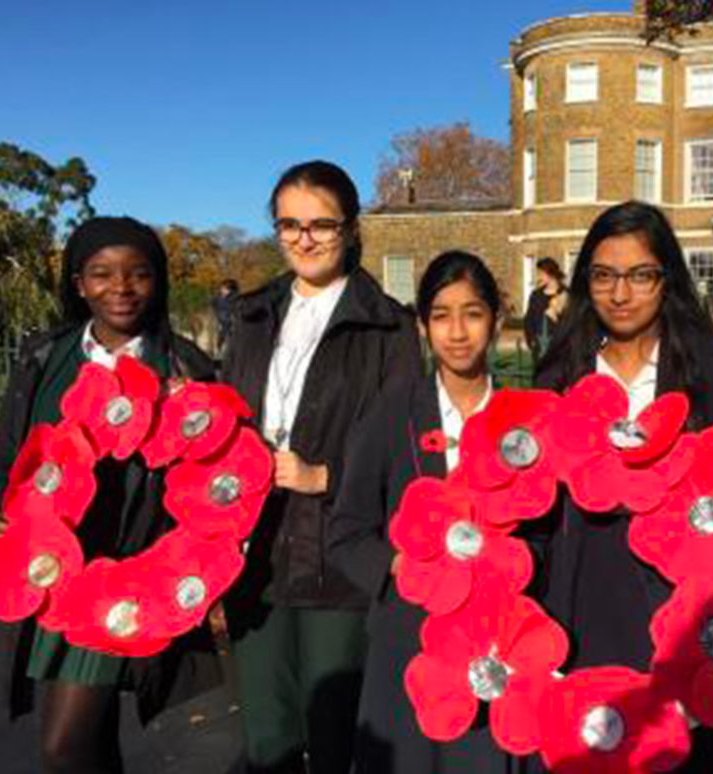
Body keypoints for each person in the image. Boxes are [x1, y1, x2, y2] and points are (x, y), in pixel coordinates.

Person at [0, 216, 219, 774]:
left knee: (63, 746)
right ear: (78, 283)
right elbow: (7, 446)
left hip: (123, 579)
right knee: (91, 741)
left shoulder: (183, 367)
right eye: (102, 274)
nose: (121, 287)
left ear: (157, 283)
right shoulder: (45, 356)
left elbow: (210, 479)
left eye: (138, 274)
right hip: (50, 571)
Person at [532, 200, 713, 770]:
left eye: (640, 275)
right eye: (605, 275)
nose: (620, 293)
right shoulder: (562, 369)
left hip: (677, 599)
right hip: (582, 592)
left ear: (667, 279)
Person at [220, 160, 420, 773]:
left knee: (333, 735)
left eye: (321, 225)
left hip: (336, 558)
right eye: (289, 224)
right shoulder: (250, 316)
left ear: (351, 229)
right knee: (267, 736)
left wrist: (323, 477)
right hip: (255, 553)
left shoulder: (390, 326)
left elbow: (406, 453)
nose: (304, 239)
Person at [329, 250, 511, 774]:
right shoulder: (391, 414)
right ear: (423, 326)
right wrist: (403, 568)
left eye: (473, 313)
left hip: (498, 635)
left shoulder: (525, 421)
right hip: (409, 635)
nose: (457, 332)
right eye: (441, 315)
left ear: (496, 320)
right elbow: (347, 532)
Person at [523, 257, 567, 362]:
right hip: (539, 350)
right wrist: (531, 341)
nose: (538, 277)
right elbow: (529, 320)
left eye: (541, 273)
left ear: (550, 274)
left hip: (561, 351)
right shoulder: (536, 295)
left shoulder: (566, 295)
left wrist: (555, 315)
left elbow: (573, 325)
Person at [213, 279, 239, 356]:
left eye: (225, 289)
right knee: (222, 337)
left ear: (230, 290)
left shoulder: (234, 299)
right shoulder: (218, 299)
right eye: (222, 289)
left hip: (230, 323)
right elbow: (216, 309)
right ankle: (220, 351)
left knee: (229, 338)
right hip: (223, 322)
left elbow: (234, 311)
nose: (222, 291)